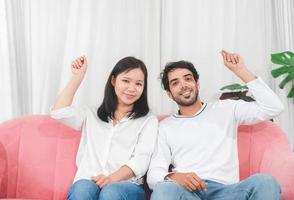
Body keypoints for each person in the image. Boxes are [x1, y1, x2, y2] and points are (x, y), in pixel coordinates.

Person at [147, 50, 284, 200]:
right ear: (169, 93)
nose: (184, 85)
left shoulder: (226, 108)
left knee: (266, 182)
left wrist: (240, 71)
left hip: (228, 192)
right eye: (175, 83)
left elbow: (274, 107)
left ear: (197, 83)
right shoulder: (165, 127)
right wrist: (175, 177)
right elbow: (154, 175)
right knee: (163, 190)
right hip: (188, 193)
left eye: (188, 79)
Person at [51, 56, 158, 200]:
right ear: (113, 81)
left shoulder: (148, 120)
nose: (132, 88)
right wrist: (78, 77)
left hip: (127, 187)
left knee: (110, 193)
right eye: (126, 81)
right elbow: (59, 112)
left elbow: (140, 161)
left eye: (138, 84)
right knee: (82, 190)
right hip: (89, 181)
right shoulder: (91, 114)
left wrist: (110, 179)